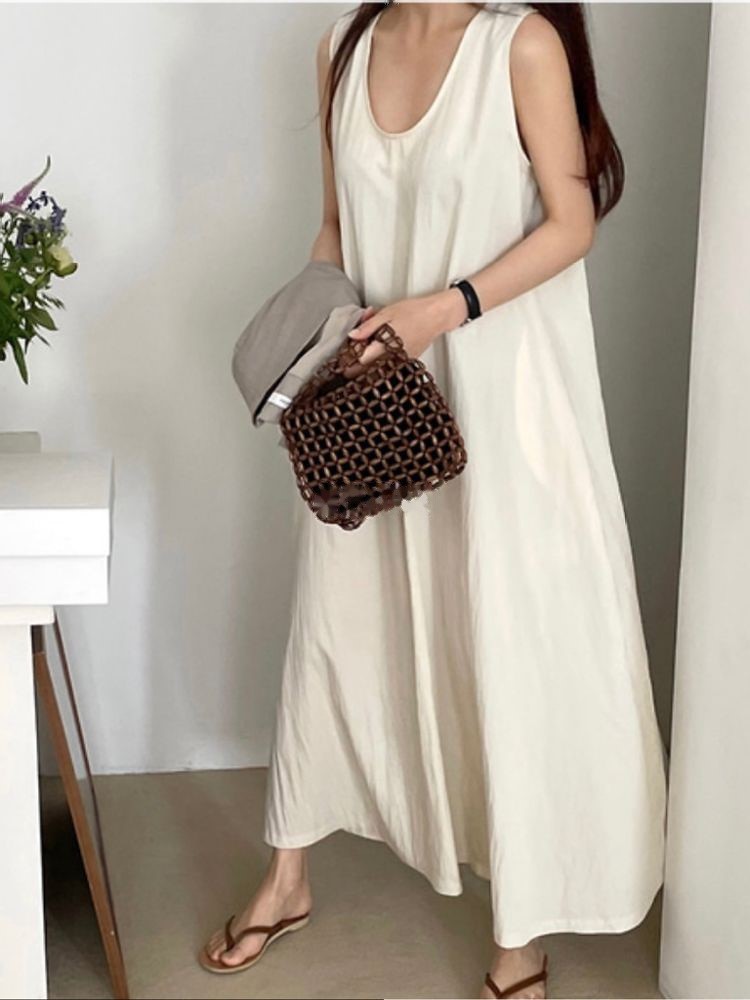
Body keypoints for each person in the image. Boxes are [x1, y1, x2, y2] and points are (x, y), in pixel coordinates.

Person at [201, 3, 668, 997]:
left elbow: (572, 224)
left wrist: (442, 309)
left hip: (504, 399)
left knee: (505, 640)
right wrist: (319, 347)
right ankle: (288, 875)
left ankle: (520, 933)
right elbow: (336, 226)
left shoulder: (519, 45)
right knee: (336, 623)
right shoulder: (339, 46)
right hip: (378, 406)